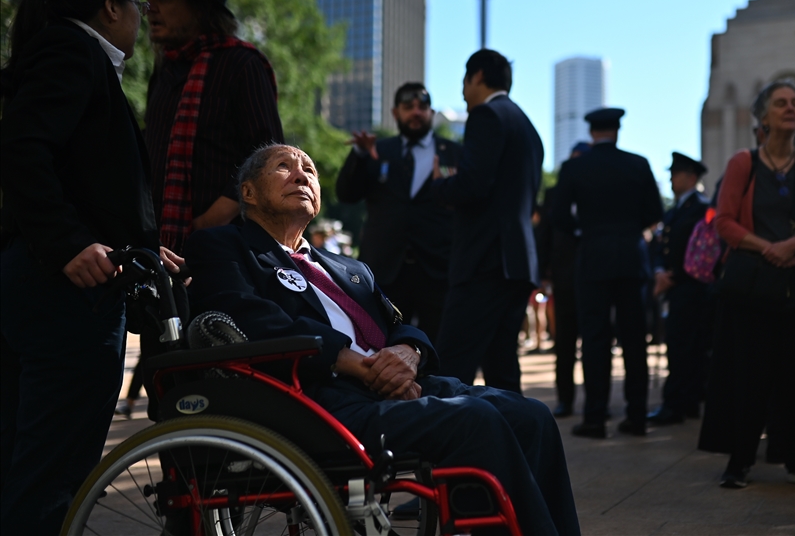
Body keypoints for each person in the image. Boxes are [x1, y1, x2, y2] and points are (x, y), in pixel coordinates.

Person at [184, 144, 581, 536]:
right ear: (249, 193)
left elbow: (398, 326)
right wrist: (359, 365)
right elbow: (251, 319)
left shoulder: (349, 267)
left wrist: (409, 354)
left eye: (310, 169)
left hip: (395, 387)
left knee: (532, 417)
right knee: (476, 421)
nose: (302, 174)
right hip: (319, 402)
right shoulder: (224, 246)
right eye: (283, 167)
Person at [0, 0, 183, 534]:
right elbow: (25, 150)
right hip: (64, 296)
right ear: (110, 8)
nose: (142, 13)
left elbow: (88, 182)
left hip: (49, 286)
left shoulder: (72, 56)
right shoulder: (71, 53)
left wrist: (142, 247)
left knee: (27, 463)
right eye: (137, 1)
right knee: (52, 475)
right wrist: (68, 244)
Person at [699, 80, 795, 490]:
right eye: (781, 103)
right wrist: (770, 248)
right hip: (750, 288)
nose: (790, 108)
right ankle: (739, 461)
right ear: (763, 116)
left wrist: (794, 245)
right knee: (747, 374)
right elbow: (725, 222)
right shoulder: (743, 163)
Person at [137, 0, 284, 254]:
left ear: (200, 6)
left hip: (228, 248)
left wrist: (213, 218)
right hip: (160, 247)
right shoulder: (164, 70)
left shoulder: (242, 64)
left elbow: (268, 155)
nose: (151, 8)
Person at [431, 49, 544, 394]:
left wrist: (440, 184)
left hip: (485, 260)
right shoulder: (528, 127)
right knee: (502, 368)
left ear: (477, 76)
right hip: (517, 262)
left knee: (450, 367)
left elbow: (473, 185)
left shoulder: (486, 116)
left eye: (464, 82)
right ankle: (514, 444)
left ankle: (440, 446)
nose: (463, 93)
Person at [551, 108, 665, 438]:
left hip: (593, 258)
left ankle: (595, 417)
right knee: (633, 339)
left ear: (592, 132)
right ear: (617, 130)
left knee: (595, 339)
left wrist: (585, 231)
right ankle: (637, 415)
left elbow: (559, 216)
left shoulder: (574, 167)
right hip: (631, 257)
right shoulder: (638, 164)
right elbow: (654, 213)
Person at [336, 83, 462, 342]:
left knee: (439, 353)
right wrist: (359, 155)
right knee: (383, 347)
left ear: (431, 112)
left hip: (437, 270)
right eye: (408, 107)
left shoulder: (454, 153)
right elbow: (346, 194)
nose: (416, 112)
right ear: (395, 113)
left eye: (422, 107)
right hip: (384, 272)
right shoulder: (376, 150)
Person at [648, 152, 711, 425]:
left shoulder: (702, 207)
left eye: (676, 174)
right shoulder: (674, 211)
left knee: (688, 346)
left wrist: (676, 274)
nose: (671, 179)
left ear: (690, 176)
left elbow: (706, 249)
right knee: (680, 345)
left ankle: (681, 402)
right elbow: (662, 246)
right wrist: (660, 270)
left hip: (693, 287)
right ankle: (683, 401)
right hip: (676, 286)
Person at [537, 141, 590, 417]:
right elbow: (545, 233)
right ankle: (565, 399)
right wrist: (543, 272)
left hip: (593, 277)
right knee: (565, 343)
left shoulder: (597, 190)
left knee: (594, 342)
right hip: (564, 276)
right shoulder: (555, 193)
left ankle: (595, 403)